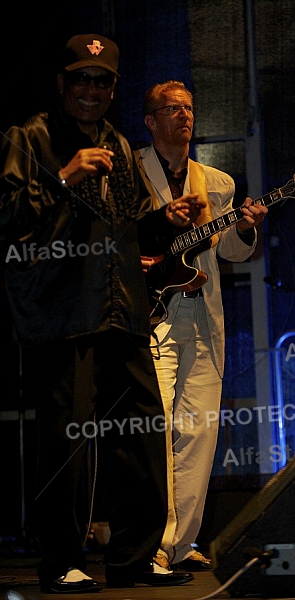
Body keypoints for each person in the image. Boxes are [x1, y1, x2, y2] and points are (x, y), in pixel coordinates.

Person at [0, 36, 207, 593]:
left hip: (123, 310)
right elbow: (7, 215)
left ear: (113, 90)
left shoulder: (117, 141)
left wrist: (168, 217)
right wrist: (63, 177)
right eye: (82, 79)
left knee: (141, 431)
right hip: (62, 312)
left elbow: (135, 223)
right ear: (63, 84)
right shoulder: (30, 137)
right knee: (67, 440)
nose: (92, 90)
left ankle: (136, 558)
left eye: (103, 81)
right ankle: (62, 560)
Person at [134, 80, 268, 572]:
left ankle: (180, 543)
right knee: (157, 431)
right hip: (154, 315)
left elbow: (229, 249)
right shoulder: (133, 172)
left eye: (189, 107)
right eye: (172, 109)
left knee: (198, 431)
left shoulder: (217, 182)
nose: (184, 116)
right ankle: (151, 542)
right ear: (151, 121)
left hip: (203, 317)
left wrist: (246, 225)